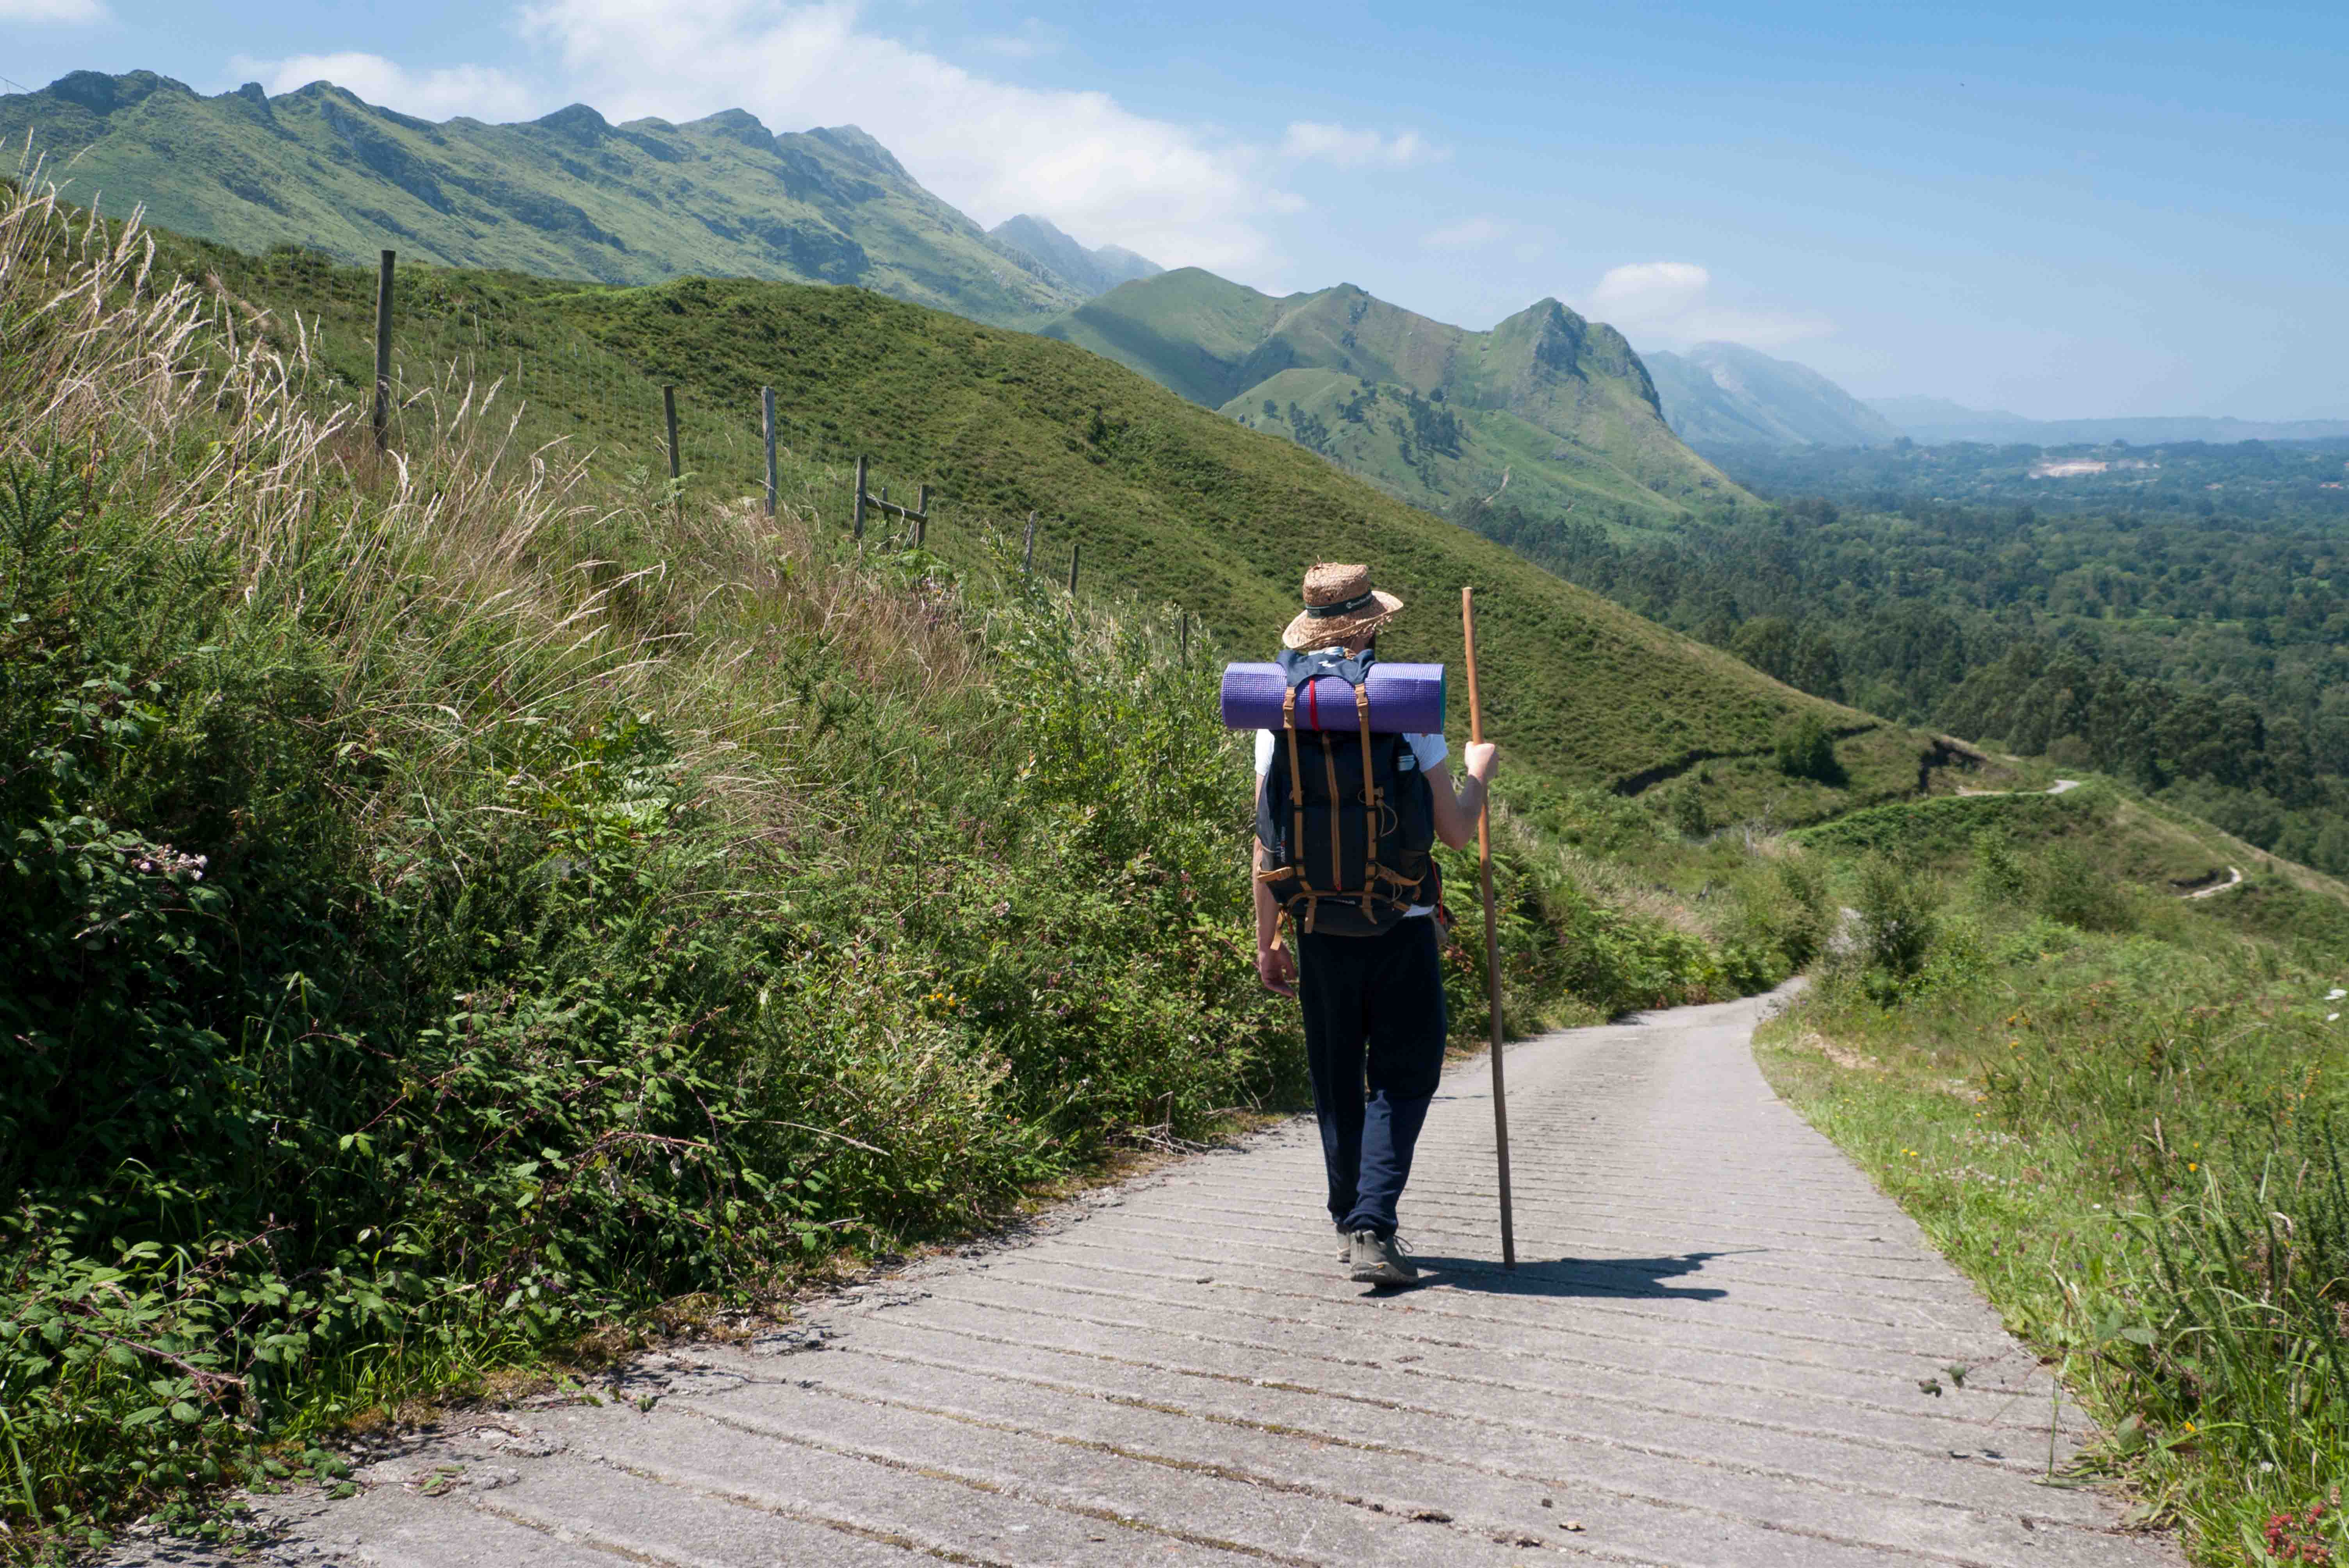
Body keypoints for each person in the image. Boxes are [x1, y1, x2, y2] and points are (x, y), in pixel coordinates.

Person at [1251, 563, 1498, 1286]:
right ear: (1370, 626)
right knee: (1404, 1075)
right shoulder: (1402, 702)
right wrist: (1479, 771)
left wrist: (1265, 940)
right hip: (1401, 922)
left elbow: (1268, 839)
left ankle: (1346, 1218)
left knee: (1335, 1078)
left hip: (1317, 926)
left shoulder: (1280, 710)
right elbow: (1453, 830)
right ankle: (1372, 1225)